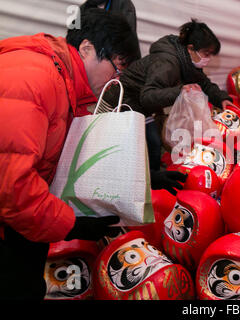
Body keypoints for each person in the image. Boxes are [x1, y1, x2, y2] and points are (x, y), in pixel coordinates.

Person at [0, 9, 185, 300]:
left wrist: (140, 179)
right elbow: (13, 186)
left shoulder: (67, 84)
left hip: (22, 225)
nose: (118, 78)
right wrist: (70, 224)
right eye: (117, 67)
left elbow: (72, 159)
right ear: (86, 48)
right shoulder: (35, 80)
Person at [100, 18, 235, 171]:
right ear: (191, 48)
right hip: (122, 99)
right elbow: (148, 96)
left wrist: (222, 98)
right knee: (152, 142)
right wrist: (180, 90)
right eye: (206, 54)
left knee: (154, 139)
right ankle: (150, 179)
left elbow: (203, 83)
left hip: (137, 101)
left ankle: (151, 172)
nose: (208, 59)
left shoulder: (186, 61)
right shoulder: (168, 62)